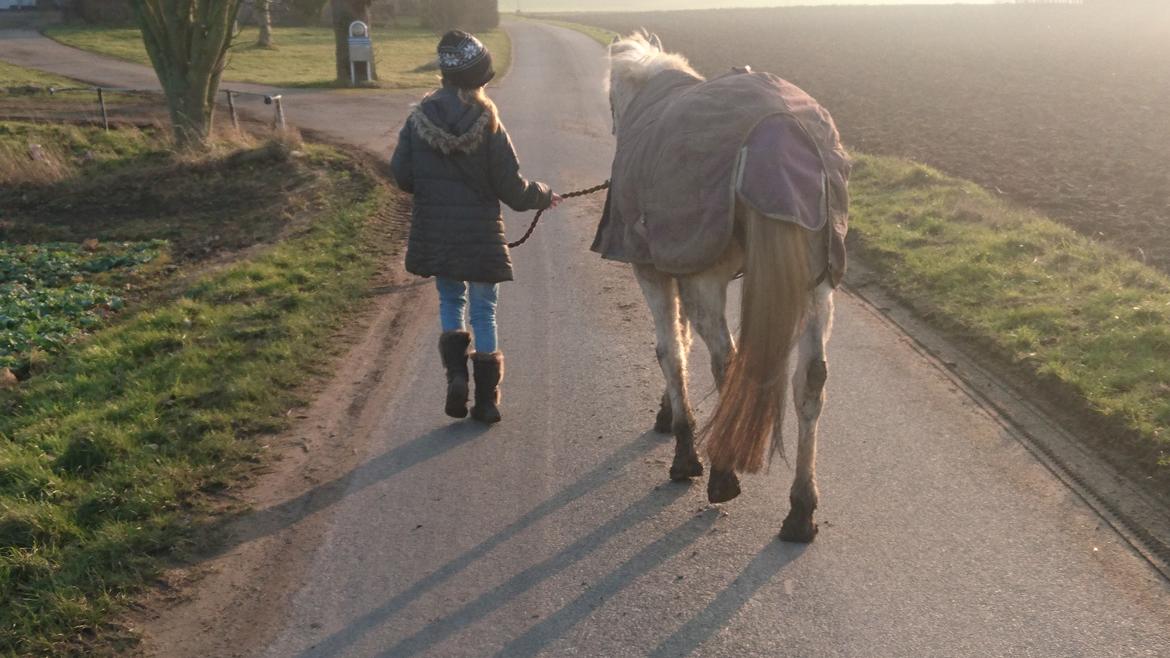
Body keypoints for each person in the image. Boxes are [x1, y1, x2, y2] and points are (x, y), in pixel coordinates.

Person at [391, 30, 561, 424]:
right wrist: (543, 194)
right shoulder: (489, 123)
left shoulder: (418, 119)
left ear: (445, 75)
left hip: (439, 232)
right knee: (484, 312)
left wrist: (432, 188)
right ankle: (486, 400)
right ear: (479, 78)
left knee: (452, 301)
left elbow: (401, 174)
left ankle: (455, 377)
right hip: (481, 236)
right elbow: (513, 190)